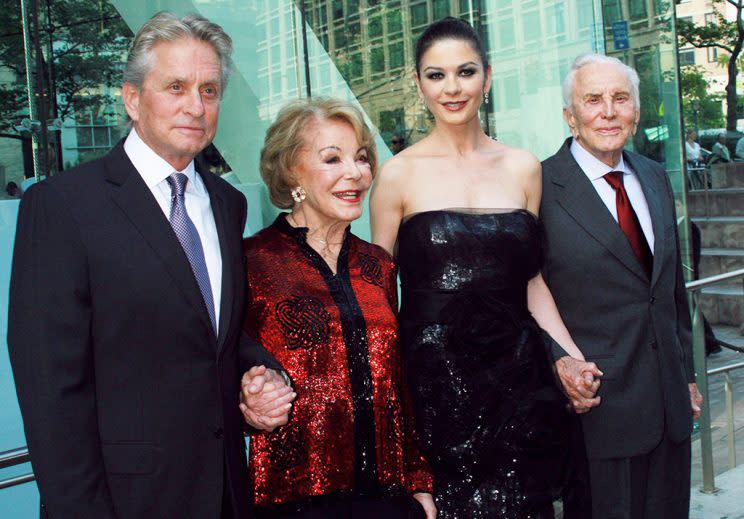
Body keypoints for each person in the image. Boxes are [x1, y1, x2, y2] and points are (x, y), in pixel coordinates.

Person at [7, 12, 293, 519]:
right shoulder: (63, 206)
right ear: (132, 98)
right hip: (122, 503)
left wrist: (259, 373)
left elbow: (210, 338)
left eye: (209, 90)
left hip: (225, 494)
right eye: (176, 86)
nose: (195, 106)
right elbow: (51, 386)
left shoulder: (227, 204)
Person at [370, 17, 591, 518]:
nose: (452, 88)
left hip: (518, 384)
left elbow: (532, 281)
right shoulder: (397, 175)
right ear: (418, 83)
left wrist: (572, 358)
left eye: (465, 72)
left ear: (487, 78)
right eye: (436, 75)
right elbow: (378, 292)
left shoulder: (523, 167)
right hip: (434, 390)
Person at [243, 98, 435, 519]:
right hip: (294, 501)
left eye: (362, 158)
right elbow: (231, 373)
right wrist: (249, 400)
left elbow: (397, 380)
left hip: (386, 499)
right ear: (293, 170)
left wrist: (418, 482)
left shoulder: (377, 264)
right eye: (333, 159)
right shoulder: (251, 262)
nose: (356, 172)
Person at [540, 53, 702, 518]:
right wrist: (560, 363)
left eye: (619, 98)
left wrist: (687, 376)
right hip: (598, 408)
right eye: (592, 100)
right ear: (570, 116)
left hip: (669, 407)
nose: (607, 112)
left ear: (635, 110)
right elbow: (524, 293)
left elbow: (669, 290)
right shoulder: (542, 186)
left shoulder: (653, 176)